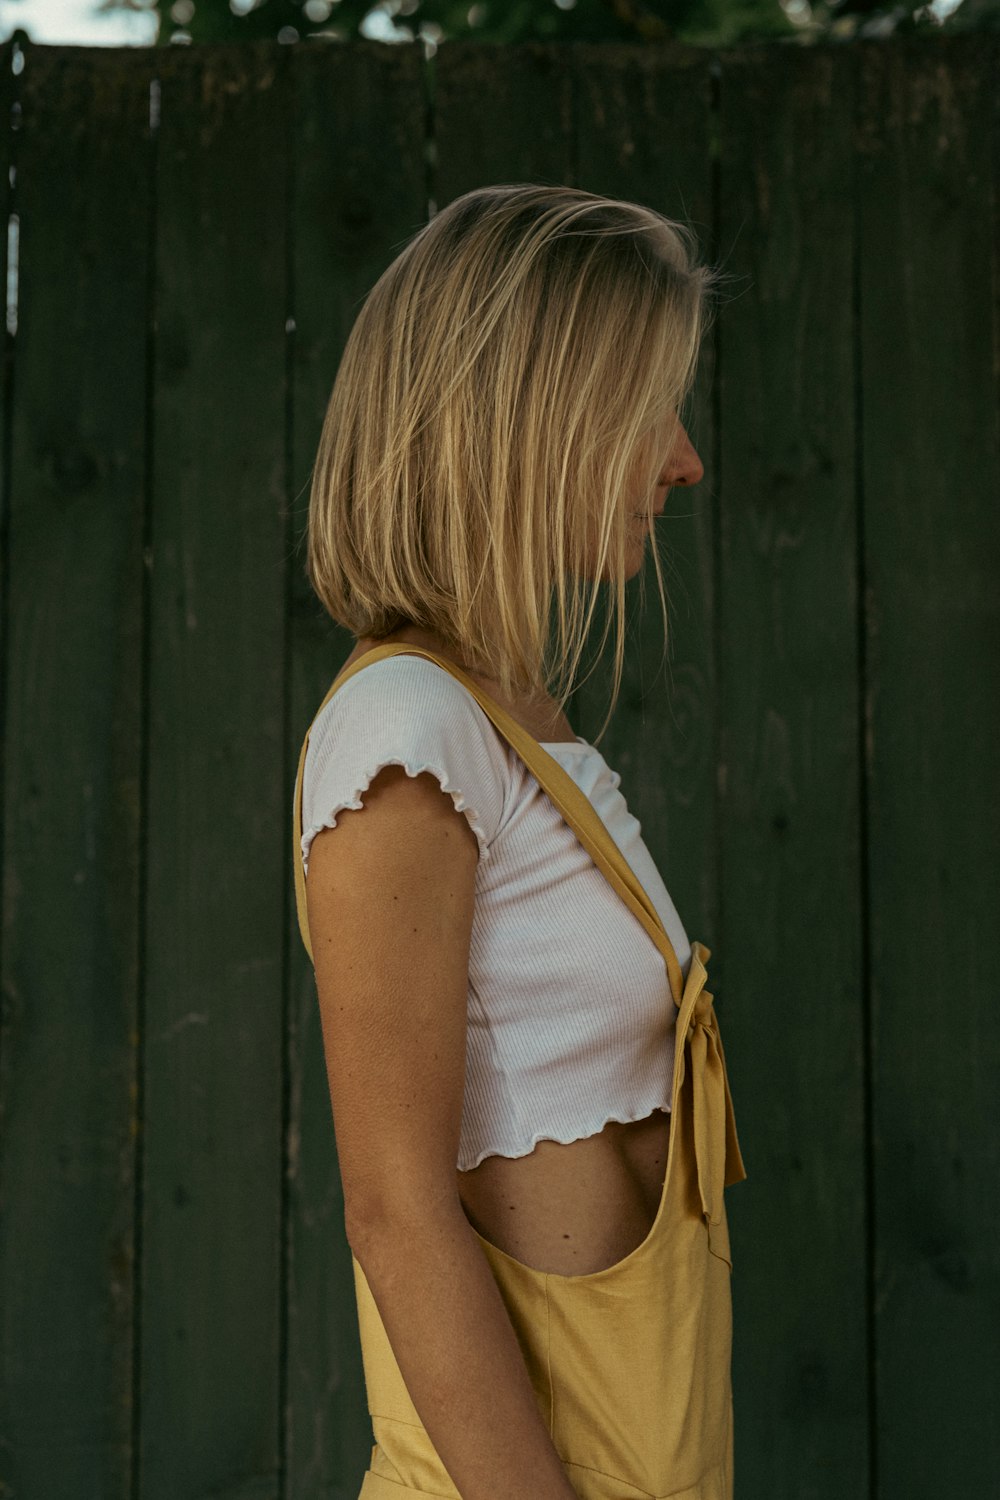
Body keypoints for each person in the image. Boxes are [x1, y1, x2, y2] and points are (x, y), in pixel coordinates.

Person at [291, 184, 747, 1500]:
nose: (684, 460)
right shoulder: (403, 727)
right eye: (653, 406)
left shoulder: (508, 726)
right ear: (539, 420)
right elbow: (392, 1206)